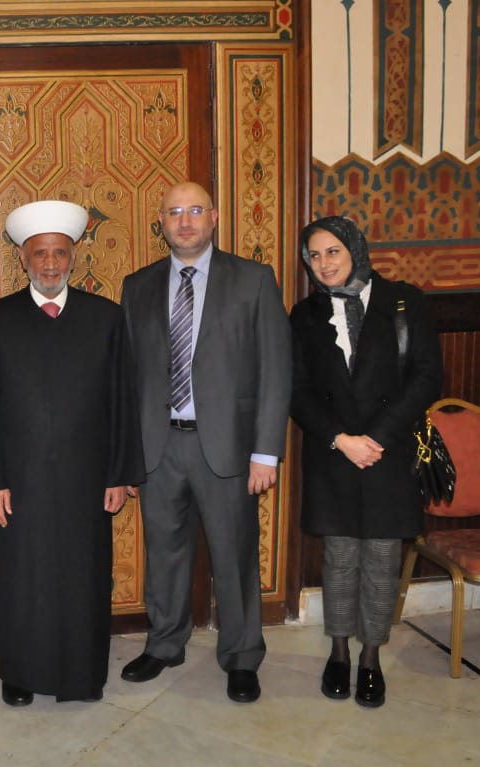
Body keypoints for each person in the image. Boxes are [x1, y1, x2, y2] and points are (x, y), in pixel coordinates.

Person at [0, 200, 144, 705]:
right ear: (23, 258)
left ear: (73, 256)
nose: (49, 263)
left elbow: (123, 400)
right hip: (19, 482)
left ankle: (82, 676)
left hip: (89, 481)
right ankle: (20, 675)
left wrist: (120, 473)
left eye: (59, 253)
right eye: (39, 253)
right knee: (24, 578)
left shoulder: (105, 318)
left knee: (84, 579)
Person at [120, 181, 291, 704]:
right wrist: (127, 456)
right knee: (164, 554)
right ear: (161, 222)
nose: (185, 221)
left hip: (229, 449)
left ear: (214, 217)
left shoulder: (253, 280)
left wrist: (265, 451)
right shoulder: (137, 286)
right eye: (174, 212)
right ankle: (164, 643)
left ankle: (241, 656)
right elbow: (128, 376)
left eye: (195, 210)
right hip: (159, 448)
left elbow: (276, 369)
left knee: (234, 556)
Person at [290, 216, 441, 708]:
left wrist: (374, 438)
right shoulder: (305, 314)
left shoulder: (404, 301)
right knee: (339, 559)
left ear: (355, 250)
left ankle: (371, 658)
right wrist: (341, 439)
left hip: (387, 452)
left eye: (333, 251)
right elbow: (298, 390)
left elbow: (426, 377)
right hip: (333, 452)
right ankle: (338, 653)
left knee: (380, 560)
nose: (324, 264)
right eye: (314, 256)